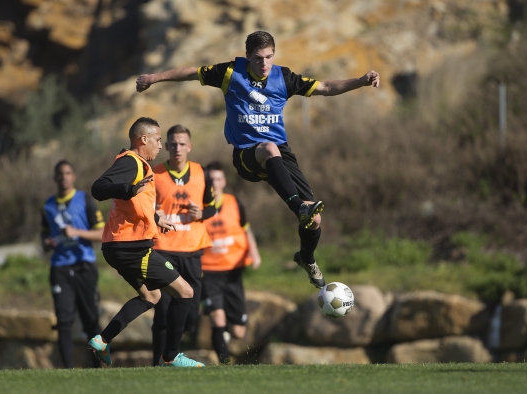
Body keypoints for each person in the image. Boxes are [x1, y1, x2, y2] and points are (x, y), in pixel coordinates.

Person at [135, 31, 380, 289]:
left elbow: (326, 87)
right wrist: (154, 78)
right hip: (246, 153)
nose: (264, 64)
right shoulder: (231, 73)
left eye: (269, 57)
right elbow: (190, 73)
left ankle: (306, 257)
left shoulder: (284, 77)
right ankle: (299, 207)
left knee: (314, 220)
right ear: (247, 57)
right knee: (270, 151)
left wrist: (361, 81)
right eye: (258, 58)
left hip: (279, 152)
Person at [88, 117, 205, 367]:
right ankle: (171, 357)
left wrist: (155, 218)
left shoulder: (137, 165)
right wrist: (129, 190)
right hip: (131, 247)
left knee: (151, 297)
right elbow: (99, 188)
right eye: (158, 140)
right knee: (185, 292)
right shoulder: (131, 162)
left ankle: (103, 340)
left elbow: (133, 203)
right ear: (144, 139)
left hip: (117, 246)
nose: (160, 146)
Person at [150, 124, 215, 366]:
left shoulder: (201, 172)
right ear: (166, 147)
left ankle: (172, 354)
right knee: (164, 312)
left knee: (190, 316)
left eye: (182, 143)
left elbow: (213, 206)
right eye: (173, 144)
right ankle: (159, 362)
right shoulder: (154, 174)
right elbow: (141, 207)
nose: (177, 148)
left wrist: (203, 213)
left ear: (190, 146)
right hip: (163, 248)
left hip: (192, 250)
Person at [41, 160, 105, 369]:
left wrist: (77, 233)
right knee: (64, 320)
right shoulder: (48, 206)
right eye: (60, 174)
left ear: (74, 176)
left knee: (91, 320)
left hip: (84, 265)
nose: (64, 177)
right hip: (60, 267)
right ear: (55, 178)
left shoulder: (85, 200)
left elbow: (103, 233)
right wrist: (47, 243)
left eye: (68, 173)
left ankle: (99, 367)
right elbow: (43, 236)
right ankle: (67, 371)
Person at [201, 161, 261, 364]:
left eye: (218, 179)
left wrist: (254, 252)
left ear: (224, 181)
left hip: (234, 270)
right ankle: (224, 364)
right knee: (217, 318)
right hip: (208, 271)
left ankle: (225, 334)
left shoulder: (234, 203)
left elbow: (245, 229)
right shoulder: (199, 207)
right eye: (210, 179)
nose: (214, 183)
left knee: (238, 331)